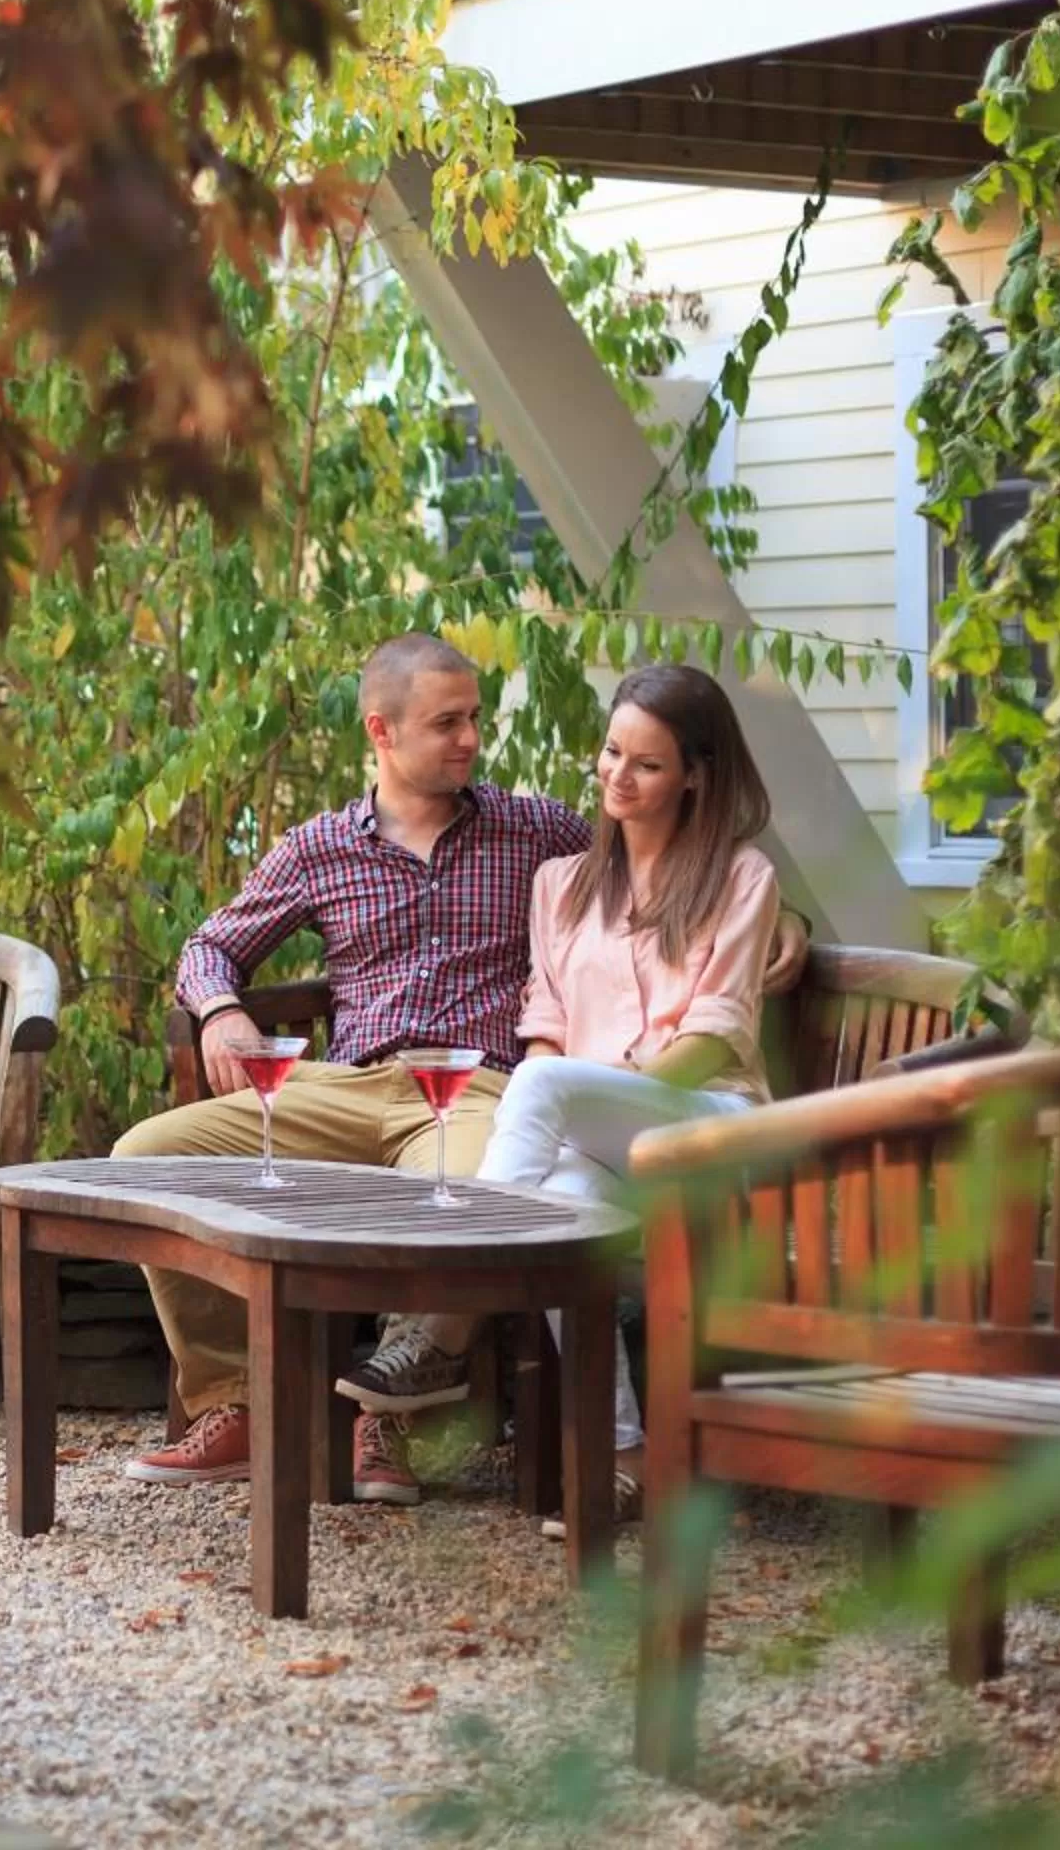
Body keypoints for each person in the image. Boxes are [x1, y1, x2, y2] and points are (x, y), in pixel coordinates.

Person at [117, 637, 804, 1503]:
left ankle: (395, 1409)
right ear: (382, 731)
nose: (472, 739)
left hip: (479, 1091)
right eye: (448, 723)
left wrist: (791, 922)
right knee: (147, 1157)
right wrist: (220, 1011)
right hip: (348, 1087)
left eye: (474, 718)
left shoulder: (534, 832)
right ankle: (242, 1402)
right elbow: (210, 947)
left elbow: (679, 857)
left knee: (496, 1184)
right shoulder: (321, 848)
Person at [341, 662, 783, 1536]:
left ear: (695, 775)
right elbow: (544, 1025)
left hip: (705, 1130)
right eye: (612, 753)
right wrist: (580, 1111)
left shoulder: (741, 877)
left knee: (542, 1087)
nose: (619, 776)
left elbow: (715, 1035)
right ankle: (627, 1461)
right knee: (561, 1205)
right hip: (598, 1147)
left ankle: (446, 1319)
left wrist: (595, 1098)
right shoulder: (563, 884)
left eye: (647, 765)